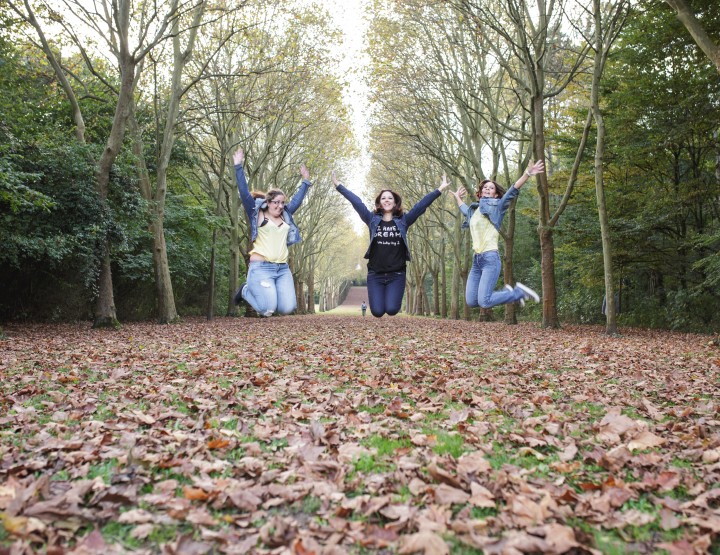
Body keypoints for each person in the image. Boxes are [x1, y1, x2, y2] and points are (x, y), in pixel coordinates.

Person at [332, 171, 448, 317]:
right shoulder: (372, 219)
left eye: (390, 198)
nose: (387, 200)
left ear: (395, 202)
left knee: (392, 309)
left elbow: (420, 207)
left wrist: (440, 189)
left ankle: (392, 299)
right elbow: (357, 202)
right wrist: (339, 186)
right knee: (377, 312)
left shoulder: (403, 221)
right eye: (383, 198)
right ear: (380, 202)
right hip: (375, 274)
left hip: (397, 274)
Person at [451, 161, 545, 310]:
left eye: (491, 188)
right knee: (472, 301)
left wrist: (527, 174)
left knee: (485, 301)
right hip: (477, 260)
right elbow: (464, 209)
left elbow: (512, 191)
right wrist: (457, 197)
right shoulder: (473, 211)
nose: (487, 189)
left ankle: (517, 293)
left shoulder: (498, 207)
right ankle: (510, 293)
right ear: (480, 193)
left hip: (490, 259)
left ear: (495, 194)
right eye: (485, 187)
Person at [232, 147, 311, 316]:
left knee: (287, 308)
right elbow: (244, 192)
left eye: (282, 203)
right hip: (261, 268)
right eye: (276, 202)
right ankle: (245, 291)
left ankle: (259, 293)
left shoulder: (285, 216)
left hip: (282, 269)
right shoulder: (258, 214)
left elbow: (297, 200)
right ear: (267, 202)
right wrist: (238, 166)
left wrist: (305, 181)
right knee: (267, 310)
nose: (280, 206)